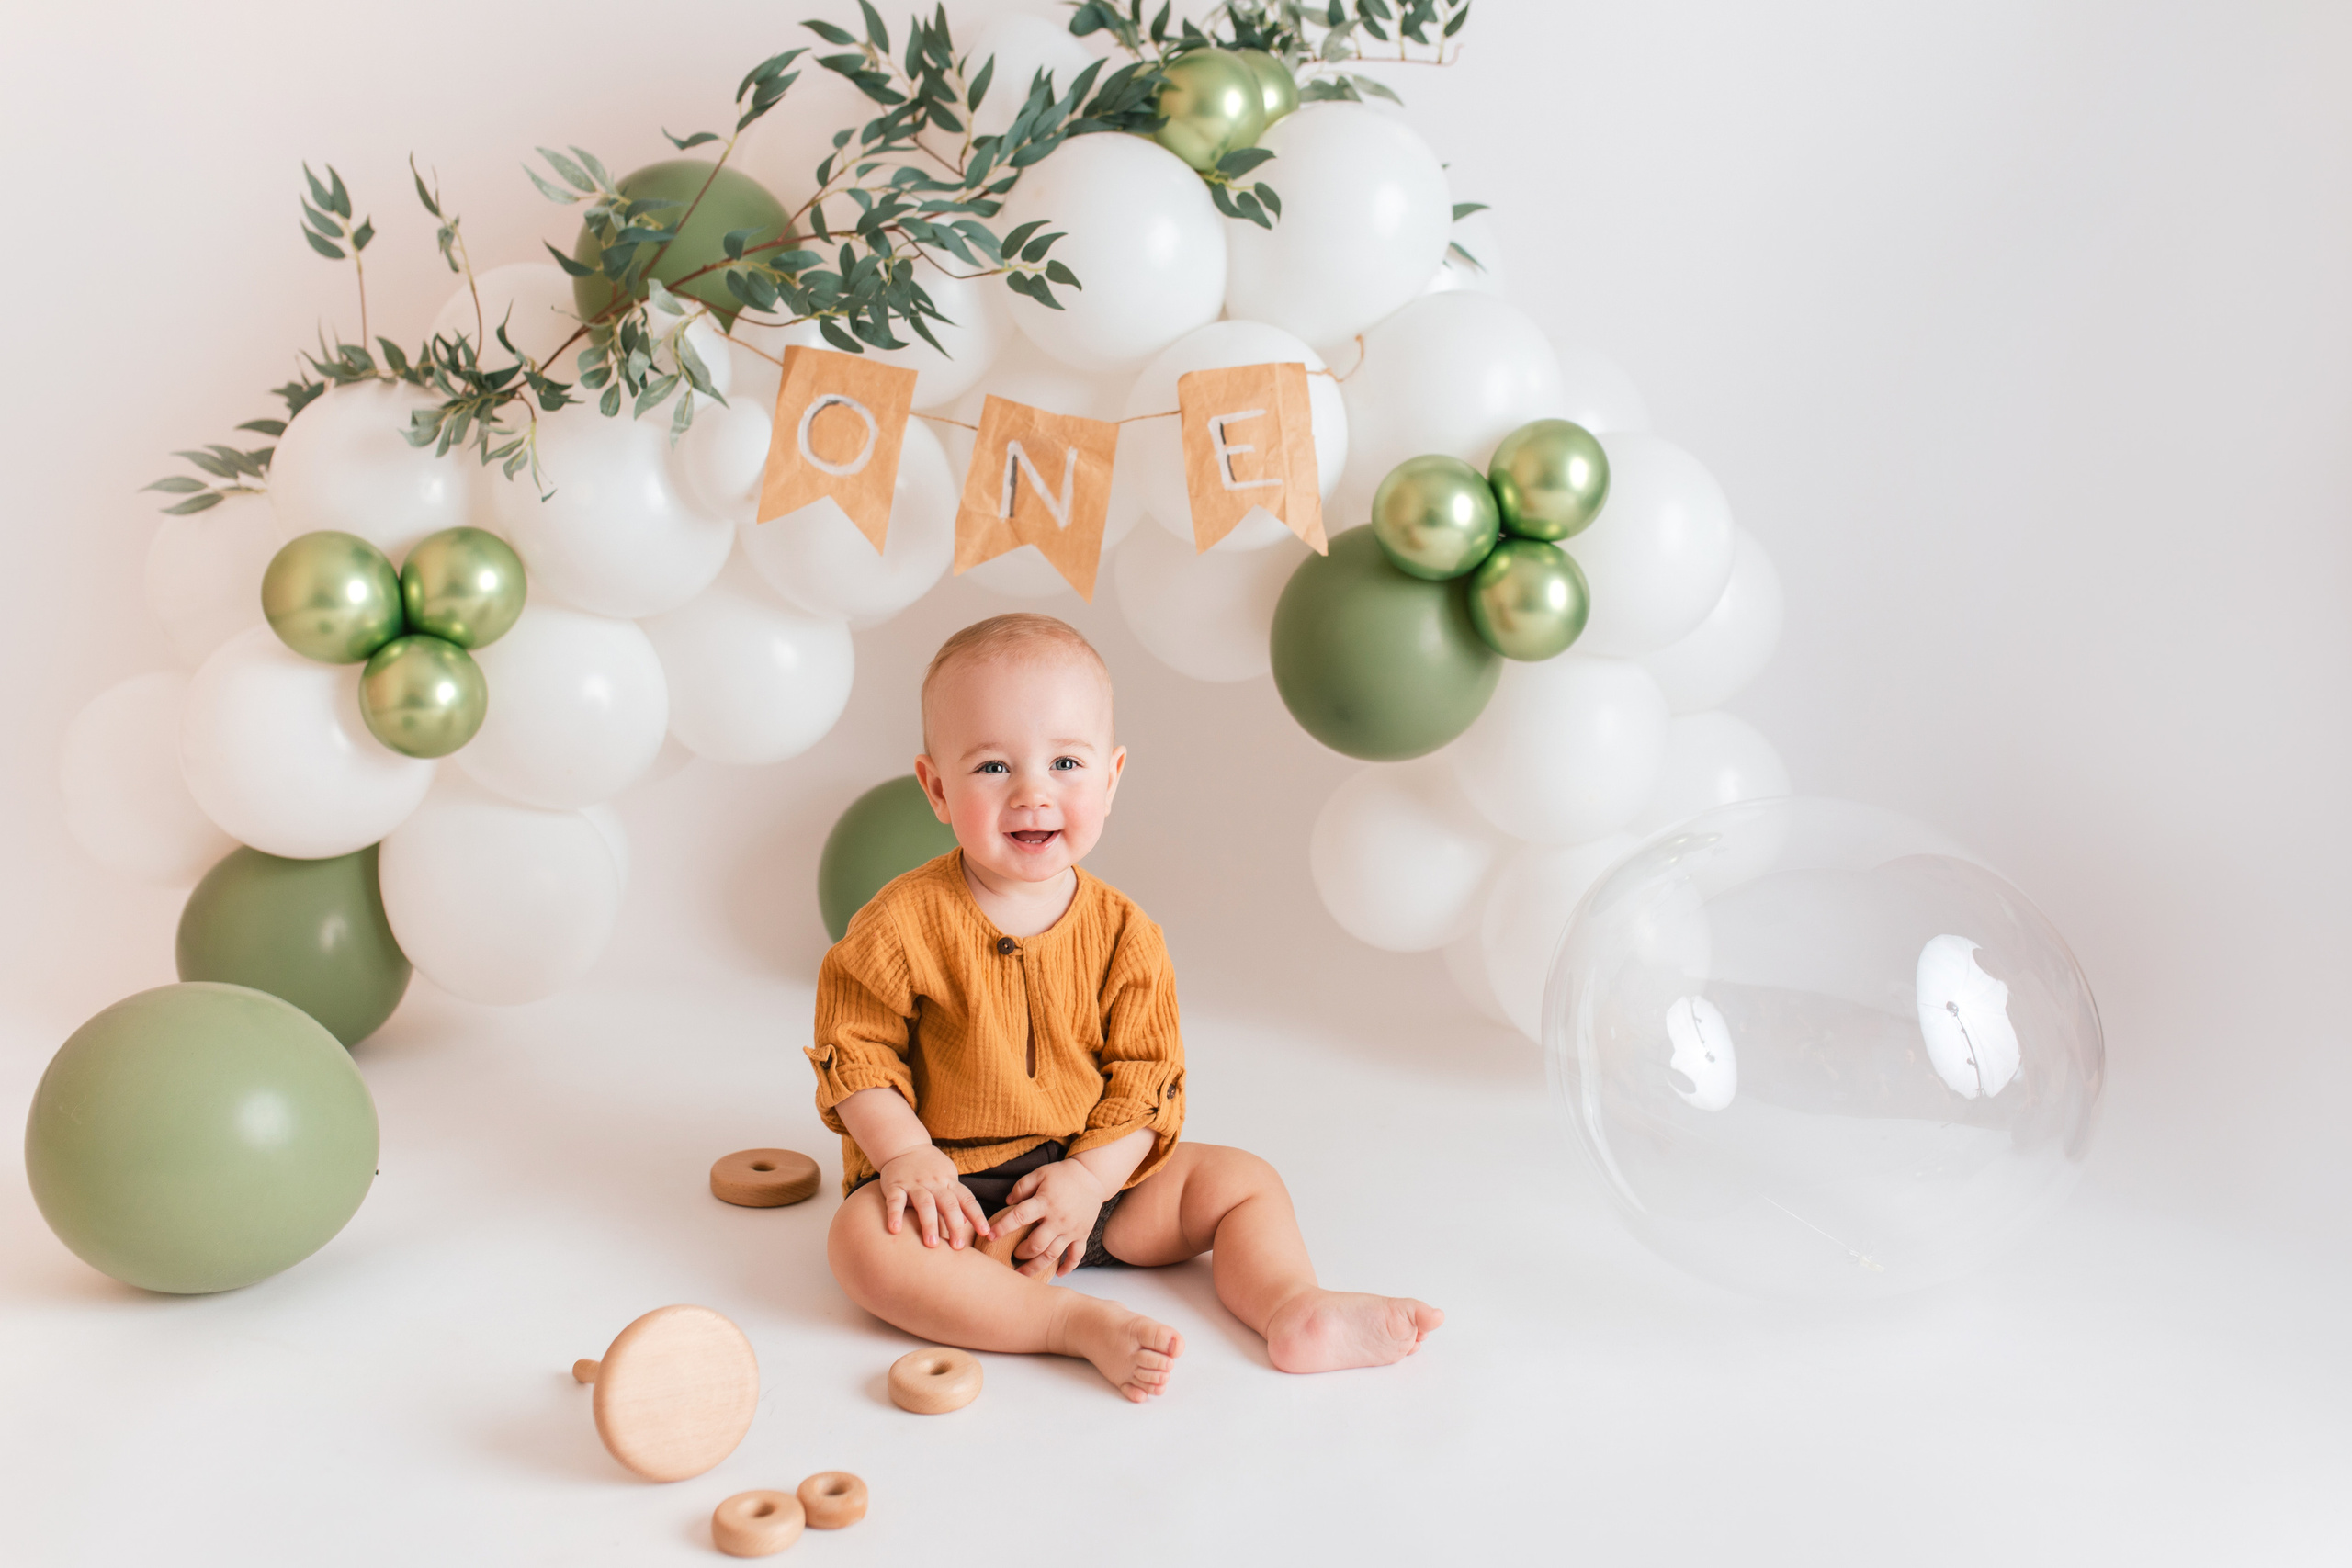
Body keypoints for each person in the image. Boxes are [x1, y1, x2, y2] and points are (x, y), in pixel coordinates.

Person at [810, 613, 1443, 1402]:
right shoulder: (900, 923)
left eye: (1065, 761)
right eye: (993, 766)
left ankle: (1292, 1306)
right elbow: (855, 1050)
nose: (1033, 791)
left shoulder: (1125, 936)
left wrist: (1087, 1179)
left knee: (1244, 1182)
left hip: (1097, 1185)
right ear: (937, 787)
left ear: (1110, 778)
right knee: (860, 1243)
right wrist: (906, 1154)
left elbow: (1149, 1079)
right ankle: (1062, 1322)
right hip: (954, 1198)